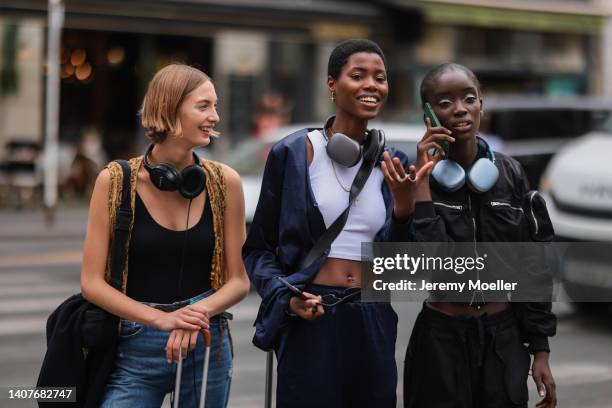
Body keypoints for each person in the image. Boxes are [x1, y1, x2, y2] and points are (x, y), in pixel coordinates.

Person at [243, 39, 432, 407]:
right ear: (332, 84)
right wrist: (286, 298)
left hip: (372, 314)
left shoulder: (390, 161)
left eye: (380, 77)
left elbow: (401, 266)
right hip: (312, 315)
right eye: (357, 75)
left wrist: (405, 210)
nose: (371, 85)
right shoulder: (294, 153)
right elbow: (258, 249)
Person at [80, 63, 250, 407]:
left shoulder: (224, 182)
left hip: (206, 345)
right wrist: (163, 319)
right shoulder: (115, 182)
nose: (215, 116)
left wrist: (193, 316)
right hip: (135, 348)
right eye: (203, 106)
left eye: (215, 106)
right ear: (166, 110)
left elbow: (239, 281)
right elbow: (92, 283)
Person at [404, 63, 557, 408]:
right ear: (428, 115)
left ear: (481, 105)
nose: (459, 108)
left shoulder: (511, 173)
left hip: (503, 338)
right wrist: (423, 184)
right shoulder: (417, 182)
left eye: (468, 98)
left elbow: (532, 264)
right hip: (440, 340)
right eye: (444, 102)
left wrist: (540, 350)